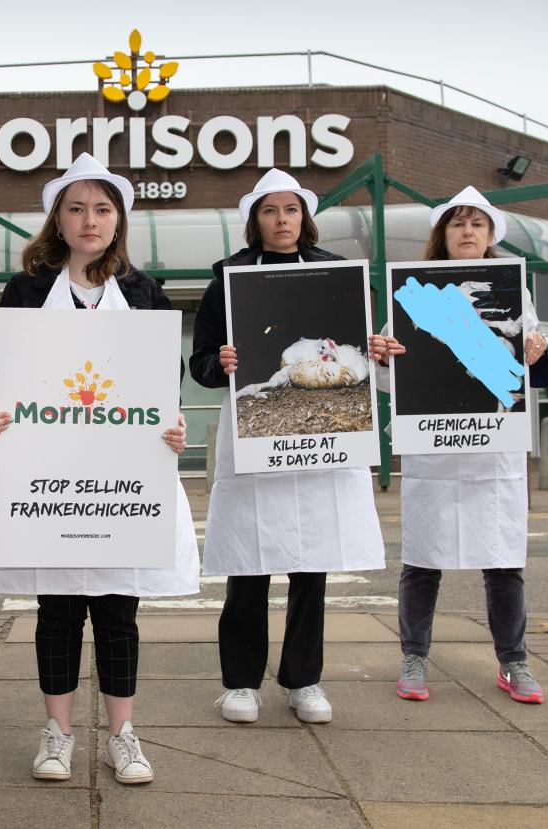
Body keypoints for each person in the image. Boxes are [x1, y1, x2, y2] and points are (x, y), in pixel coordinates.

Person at [0, 153, 199, 785]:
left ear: (118, 220)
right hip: (49, 482)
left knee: (119, 610)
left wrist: (174, 427)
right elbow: (2, 383)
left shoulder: (145, 292)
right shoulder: (26, 292)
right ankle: (58, 732)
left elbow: (161, 389)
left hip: (125, 482)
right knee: (58, 608)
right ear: (57, 221)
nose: (89, 220)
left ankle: (124, 732)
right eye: (76, 209)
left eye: (101, 209)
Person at [190, 169, 387, 726]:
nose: (282, 220)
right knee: (248, 565)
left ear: (305, 216)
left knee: (312, 565)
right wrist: (219, 364)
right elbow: (200, 362)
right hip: (255, 444)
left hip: (323, 451)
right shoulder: (227, 279)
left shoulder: (339, 275)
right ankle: (240, 682)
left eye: (291, 210)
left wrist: (375, 348)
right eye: (271, 211)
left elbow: (367, 352)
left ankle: (304, 679)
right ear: (255, 219)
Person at [373, 185, 548, 705]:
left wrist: (538, 351)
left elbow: (541, 374)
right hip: (434, 447)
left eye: (477, 223)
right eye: (457, 223)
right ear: (443, 234)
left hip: (493, 451)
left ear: (491, 235)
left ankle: (514, 662)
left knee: (503, 560)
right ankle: (414, 657)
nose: (467, 232)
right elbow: (392, 376)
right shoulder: (413, 291)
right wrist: (384, 356)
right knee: (422, 558)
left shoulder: (513, 291)